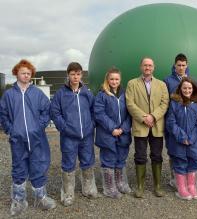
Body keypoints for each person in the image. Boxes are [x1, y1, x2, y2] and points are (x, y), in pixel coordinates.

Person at [0, 59, 56, 216]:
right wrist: (11, 130)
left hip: (37, 138)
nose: (26, 75)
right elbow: (3, 115)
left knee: (38, 165)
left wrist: (39, 127)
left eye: (28, 73)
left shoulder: (37, 93)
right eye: (23, 72)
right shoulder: (9, 95)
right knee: (19, 167)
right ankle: (18, 200)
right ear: (16, 73)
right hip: (18, 139)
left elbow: (47, 110)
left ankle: (41, 198)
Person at [50, 62, 98, 206]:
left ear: (81, 75)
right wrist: (64, 128)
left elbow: (93, 110)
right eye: (72, 74)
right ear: (68, 75)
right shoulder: (61, 93)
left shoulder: (86, 93)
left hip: (87, 136)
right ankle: (68, 192)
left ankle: (88, 188)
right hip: (69, 136)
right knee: (68, 163)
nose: (75, 77)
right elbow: (55, 112)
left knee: (88, 161)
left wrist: (91, 125)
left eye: (78, 74)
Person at [126, 57, 169, 198]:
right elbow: (130, 103)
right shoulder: (132, 84)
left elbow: (165, 103)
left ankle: (157, 186)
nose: (147, 68)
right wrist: (144, 118)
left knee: (157, 156)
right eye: (145, 65)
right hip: (140, 126)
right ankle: (140, 187)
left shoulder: (162, 85)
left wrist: (154, 117)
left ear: (153, 67)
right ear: (141, 67)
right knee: (140, 156)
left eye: (150, 65)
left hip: (157, 126)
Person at [166, 77, 197, 200]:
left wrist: (192, 137)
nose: (187, 90)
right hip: (178, 141)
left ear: (193, 89)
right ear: (180, 89)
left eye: (189, 88)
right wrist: (182, 136)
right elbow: (171, 122)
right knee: (179, 162)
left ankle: (191, 186)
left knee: (194, 162)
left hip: (194, 142)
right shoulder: (174, 104)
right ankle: (182, 188)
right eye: (184, 88)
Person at [94, 67, 132, 199]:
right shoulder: (101, 95)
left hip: (123, 133)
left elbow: (130, 114)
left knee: (121, 158)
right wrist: (112, 128)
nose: (114, 81)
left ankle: (120, 182)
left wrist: (123, 129)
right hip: (107, 134)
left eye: (116, 79)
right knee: (108, 159)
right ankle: (109, 187)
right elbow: (99, 114)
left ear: (120, 80)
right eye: (112, 79)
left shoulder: (125, 95)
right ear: (107, 79)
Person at [163, 53, 189, 188]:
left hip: (187, 121)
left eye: (183, 65)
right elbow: (164, 100)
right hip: (172, 120)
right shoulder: (167, 81)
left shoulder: (191, 80)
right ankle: (175, 178)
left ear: (187, 65)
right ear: (174, 65)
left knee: (188, 148)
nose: (181, 67)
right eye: (178, 65)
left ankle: (186, 178)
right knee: (173, 149)